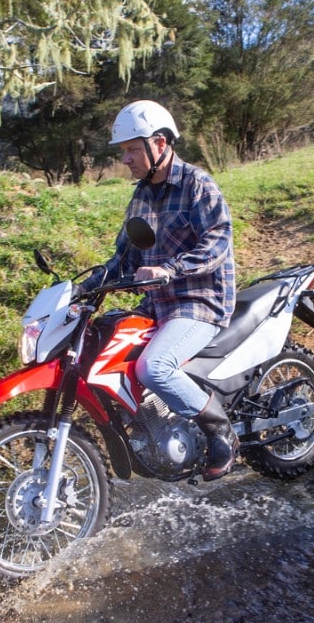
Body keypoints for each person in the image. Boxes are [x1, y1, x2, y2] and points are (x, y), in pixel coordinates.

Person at [79, 100, 238, 481]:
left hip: (201, 301)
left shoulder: (197, 184)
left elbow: (218, 242)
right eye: (123, 151)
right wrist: (78, 291)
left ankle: (221, 431)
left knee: (154, 367)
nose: (125, 159)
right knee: (104, 349)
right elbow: (122, 259)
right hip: (157, 304)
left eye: (132, 149)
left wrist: (170, 269)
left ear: (161, 144)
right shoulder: (141, 197)